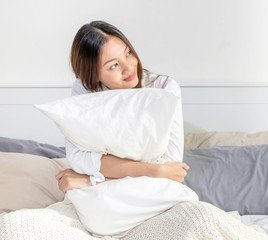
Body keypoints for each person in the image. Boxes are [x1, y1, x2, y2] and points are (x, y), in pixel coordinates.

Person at [55, 21, 189, 193]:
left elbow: (171, 171)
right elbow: (78, 158)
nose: (128, 67)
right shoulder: (85, 89)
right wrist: (155, 171)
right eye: (114, 65)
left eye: (128, 53)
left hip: (155, 193)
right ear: (94, 75)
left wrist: (90, 180)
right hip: (103, 197)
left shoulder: (164, 88)